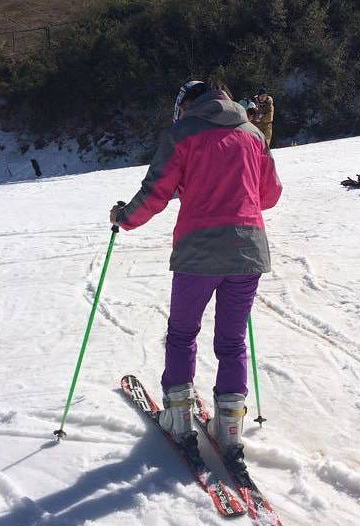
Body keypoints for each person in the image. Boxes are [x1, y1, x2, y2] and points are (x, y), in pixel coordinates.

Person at [110, 79, 282, 472]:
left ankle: (179, 418)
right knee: (232, 341)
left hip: (198, 253)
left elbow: (156, 192)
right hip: (247, 249)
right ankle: (230, 428)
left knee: (183, 333)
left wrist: (124, 218)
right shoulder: (253, 134)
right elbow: (269, 195)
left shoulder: (182, 134)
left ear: (185, 106)